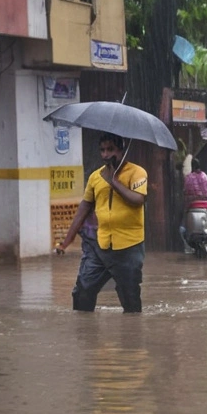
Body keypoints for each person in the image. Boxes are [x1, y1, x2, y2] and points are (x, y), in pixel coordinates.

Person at [56, 132, 149, 313]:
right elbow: (82, 211)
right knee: (83, 290)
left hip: (129, 246)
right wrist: (66, 242)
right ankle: (85, 333)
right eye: (102, 150)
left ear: (121, 151)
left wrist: (114, 182)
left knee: (130, 299)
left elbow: (138, 200)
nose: (106, 155)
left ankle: (133, 336)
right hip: (100, 245)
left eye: (110, 150)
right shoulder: (95, 177)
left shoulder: (137, 173)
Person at [180, 156, 207, 251]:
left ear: (192, 167)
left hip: (192, 206)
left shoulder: (188, 178)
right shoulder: (204, 176)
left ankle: (187, 246)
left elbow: (186, 192)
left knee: (182, 227)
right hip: (206, 206)